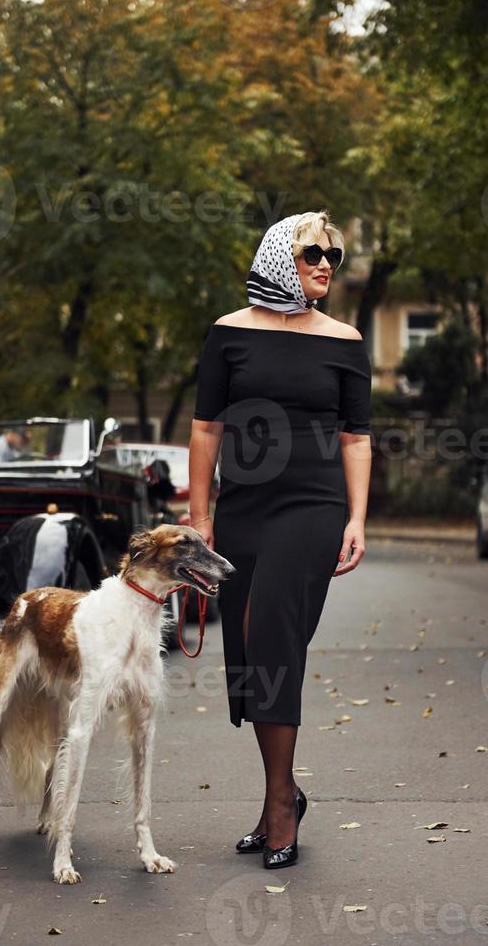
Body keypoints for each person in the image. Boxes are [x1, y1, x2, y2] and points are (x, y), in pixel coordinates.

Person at [189, 210, 372, 870]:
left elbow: (356, 436)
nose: (327, 263)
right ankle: (285, 791)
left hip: (313, 507)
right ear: (276, 258)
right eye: (313, 252)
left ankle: (278, 810)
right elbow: (206, 428)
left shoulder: (345, 340)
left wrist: (356, 518)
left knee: (273, 634)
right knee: (246, 654)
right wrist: (202, 518)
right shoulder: (228, 336)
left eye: (334, 254)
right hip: (242, 510)